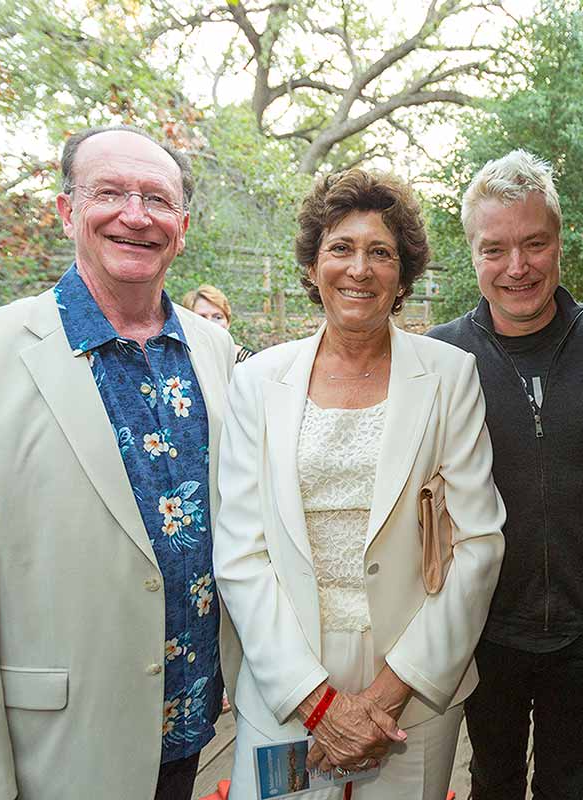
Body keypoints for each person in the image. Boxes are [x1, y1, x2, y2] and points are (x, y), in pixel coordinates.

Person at [0, 125, 244, 800]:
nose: (135, 215)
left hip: (194, 723)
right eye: (109, 192)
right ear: (66, 210)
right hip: (54, 749)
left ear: (183, 226)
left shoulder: (214, 351)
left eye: (157, 200)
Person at [214, 168, 506, 800]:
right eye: (340, 248)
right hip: (285, 681)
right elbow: (241, 552)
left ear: (403, 275)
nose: (359, 268)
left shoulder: (451, 376)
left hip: (414, 684)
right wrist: (317, 704)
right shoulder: (258, 381)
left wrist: (387, 695)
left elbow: (480, 542)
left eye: (381, 253)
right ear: (314, 263)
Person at [427, 150, 583, 799]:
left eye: (534, 243)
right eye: (495, 248)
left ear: (559, 242)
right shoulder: (443, 356)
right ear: (472, 252)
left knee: (568, 782)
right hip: (483, 622)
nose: (517, 266)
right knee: (492, 778)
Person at [182, 283, 255, 362]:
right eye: (201, 317)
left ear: (228, 322)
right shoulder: (180, 360)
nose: (210, 323)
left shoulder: (250, 361)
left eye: (217, 317)